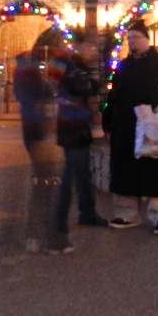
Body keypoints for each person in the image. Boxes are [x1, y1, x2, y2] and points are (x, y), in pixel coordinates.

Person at [101, 19, 158, 236]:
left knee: (155, 168)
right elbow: (114, 95)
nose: (132, 43)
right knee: (125, 169)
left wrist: (157, 100)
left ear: (147, 40)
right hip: (126, 126)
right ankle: (127, 212)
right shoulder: (123, 66)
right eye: (129, 39)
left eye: (136, 38)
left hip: (153, 126)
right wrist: (108, 120)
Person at [48, 44, 108, 253]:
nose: (90, 51)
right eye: (86, 48)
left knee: (83, 173)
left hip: (79, 126)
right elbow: (84, 87)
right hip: (70, 127)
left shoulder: (77, 66)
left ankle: (88, 212)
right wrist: (90, 83)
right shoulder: (65, 64)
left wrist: (91, 83)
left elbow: (91, 86)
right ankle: (56, 229)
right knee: (69, 176)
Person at [12, 49, 61, 254]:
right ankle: (46, 235)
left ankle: (35, 236)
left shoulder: (23, 82)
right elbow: (49, 96)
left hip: (35, 136)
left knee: (42, 185)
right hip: (43, 136)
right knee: (47, 186)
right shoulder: (34, 84)